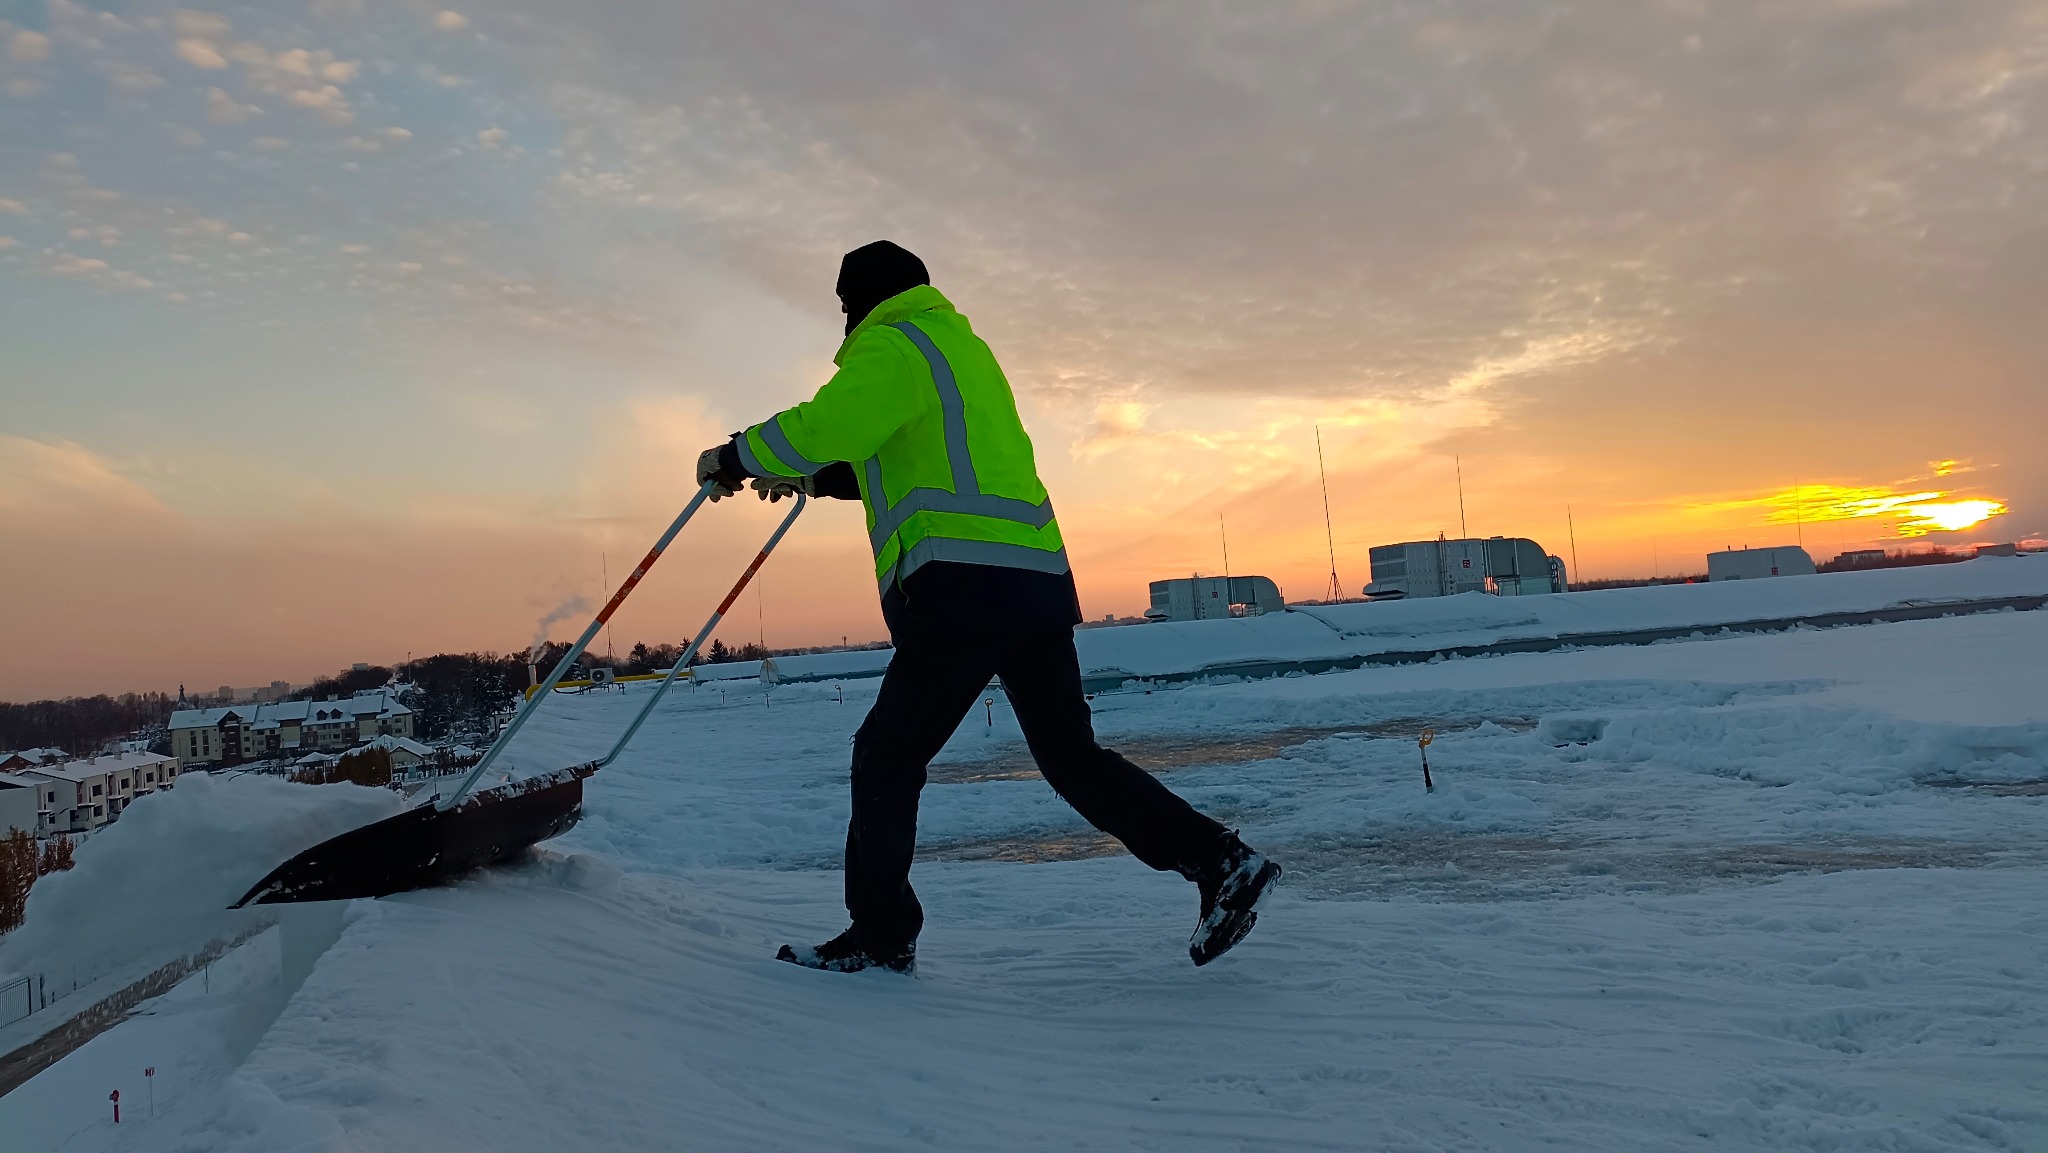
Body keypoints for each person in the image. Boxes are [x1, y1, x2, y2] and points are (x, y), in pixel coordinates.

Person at [698, 241, 1280, 974]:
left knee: (885, 757)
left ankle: (881, 934)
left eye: (846, 307)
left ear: (862, 302)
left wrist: (738, 453)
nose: (844, 321)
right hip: (1032, 580)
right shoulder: (959, 349)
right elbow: (894, 453)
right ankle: (1220, 860)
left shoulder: (892, 344)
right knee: (1072, 757)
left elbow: (827, 426)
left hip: (961, 585)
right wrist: (808, 482)